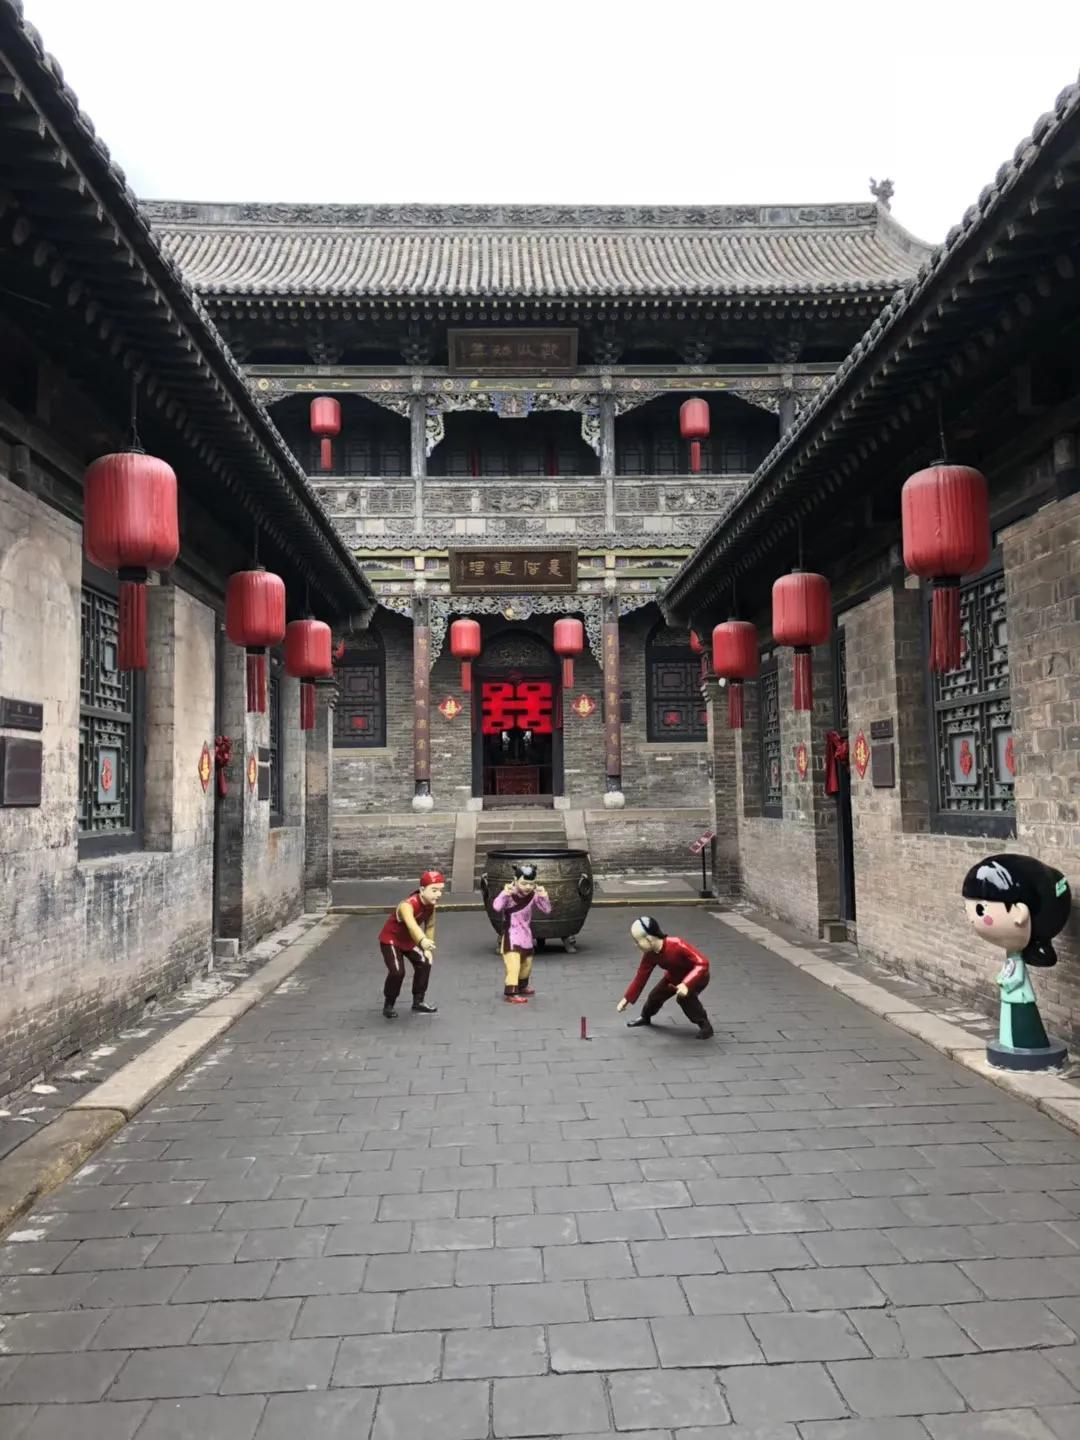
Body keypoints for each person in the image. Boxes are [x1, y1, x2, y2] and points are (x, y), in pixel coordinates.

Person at [962, 853, 1071, 1052]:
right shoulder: (1013, 955)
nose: (971, 919)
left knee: (1021, 1025)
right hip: (1011, 997)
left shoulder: (1017, 960)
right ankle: (1012, 1043)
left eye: (980, 910)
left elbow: (1016, 977)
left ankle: (1023, 1045)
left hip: (1019, 997)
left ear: (1021, 913)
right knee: (1009, 1023)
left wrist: (1005, 980)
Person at [616, 915, 714, 1039]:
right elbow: (641, 976)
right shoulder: (650, 955)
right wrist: (626, 999)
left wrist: (686, 984)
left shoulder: (677, 944)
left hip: (697, 978)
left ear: (649, 939)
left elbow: (702, 963)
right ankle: (645, 1017)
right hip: (672, 978)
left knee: (685, 999)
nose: (636, 945)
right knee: (654, 996)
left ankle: (705, 1026)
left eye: (637, 941)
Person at [378, 870, 445, 1019]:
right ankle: (389, 1004)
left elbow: (430, 926)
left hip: (409, 940)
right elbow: (412, 925)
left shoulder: (431, 906)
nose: (438, 895)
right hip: (391, 940)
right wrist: (422, 941)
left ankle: (418, 1001)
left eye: (441, 890)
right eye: (434, 890)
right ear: (422, 890)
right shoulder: (407, 905)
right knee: (397, 972)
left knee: (425, 961)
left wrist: (428, 948)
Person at [492, 863, 551, 1003]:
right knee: (514, 966)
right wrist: (505, 893)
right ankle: (511, 993)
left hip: (526, 935)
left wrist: (543, 896)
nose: (528, 887)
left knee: (527, 964)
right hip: (511, 937)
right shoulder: (509, 894)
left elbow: (547, 910)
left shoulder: (534, 895)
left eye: (531, 884)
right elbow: (496, 907)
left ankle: (522, 986)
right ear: (515, 880)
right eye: (524, 883)